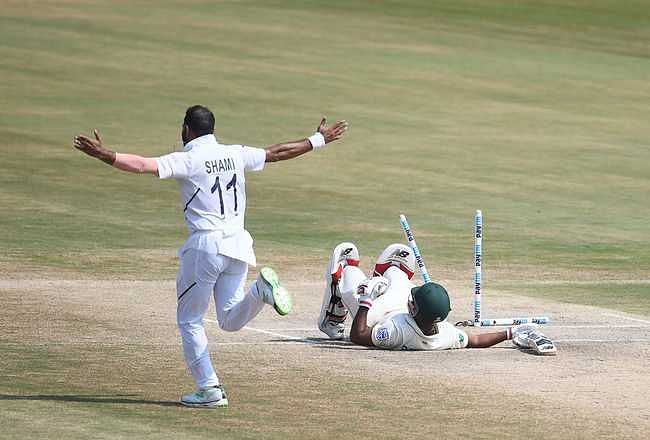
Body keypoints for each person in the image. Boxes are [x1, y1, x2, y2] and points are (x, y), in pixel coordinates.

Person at [73, 105, 348, 408]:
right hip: (239, 246)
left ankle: (209, 389)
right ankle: (260, 291)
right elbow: (277, 152)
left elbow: (141, 165)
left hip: (206, 247)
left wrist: (105, 155)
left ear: (187, 130)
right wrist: (318, 139)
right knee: (229, 320)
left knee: (189, 320)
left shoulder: (188, 159)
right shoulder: (234, 153)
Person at [318, 242, 557, 354]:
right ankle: (387, 274)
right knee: (396, 273)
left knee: (351, 277)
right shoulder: (445, 333)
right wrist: (512, 332)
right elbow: (475, 341)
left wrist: (366, 302)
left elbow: (358, 336)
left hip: (377, 317)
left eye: (414, 300)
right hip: (399, 307)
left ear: (413, 309)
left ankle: (336, 307)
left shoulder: (395, 334)